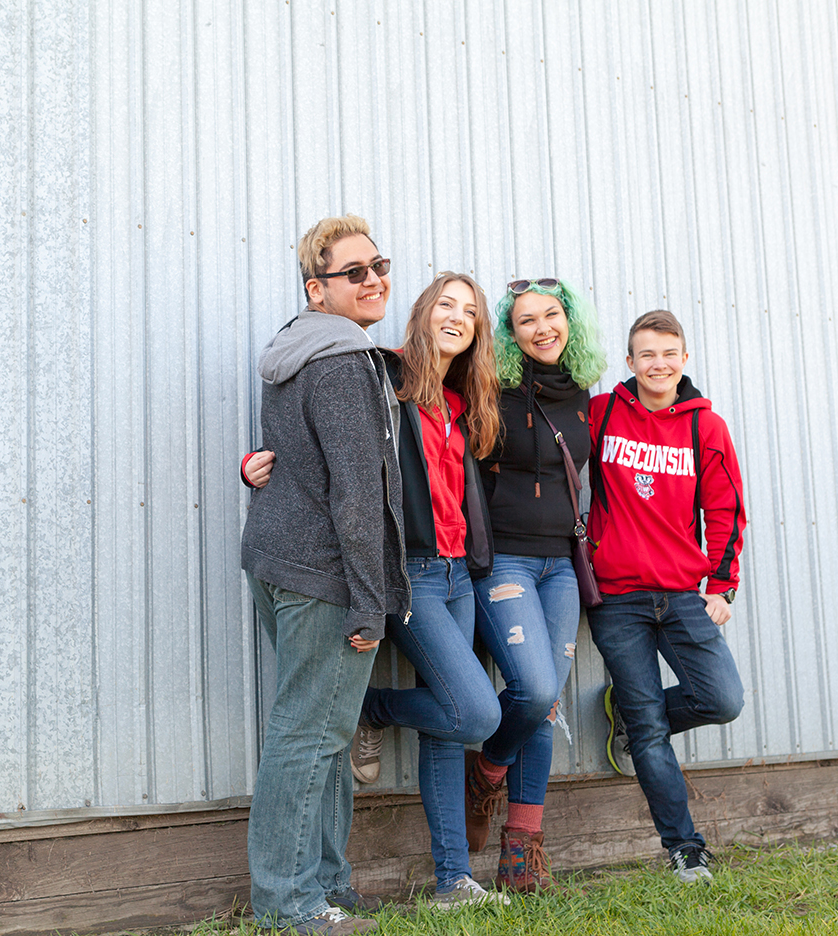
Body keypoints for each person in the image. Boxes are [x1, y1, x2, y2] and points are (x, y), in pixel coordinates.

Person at [246, 272, 510, 910]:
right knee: (476, 711)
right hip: (409, 572)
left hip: (457, 572)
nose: (458, 317)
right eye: (446, 304)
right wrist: (259, 469)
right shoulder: (381, 377)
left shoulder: (464, 401)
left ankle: (453, 880)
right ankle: (373, 710)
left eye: (469, 311)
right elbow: (324, 453)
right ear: (421, 314)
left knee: (451, 726)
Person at [240, 214, 405, 935]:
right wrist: (370, 600)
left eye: (379, 266)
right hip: (322, 576)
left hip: (279, 559)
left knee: (323, 732)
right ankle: (291, 904)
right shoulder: (340, 360)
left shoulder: (296, 350)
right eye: (354, 273)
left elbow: (291, 463)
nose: (374, 281)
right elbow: (355, 493)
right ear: (318, 289)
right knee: (308, 736)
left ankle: (328, 882)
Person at [585, 309, 747, 884]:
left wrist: (721, 586)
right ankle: (684, 848)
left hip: (681, 593)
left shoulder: (707, 427)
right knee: (650, 731)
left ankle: (626, 714)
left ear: (685, 359)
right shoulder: (601, 412)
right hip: (618, 598)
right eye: (646, 354)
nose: (658, 364)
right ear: (629, 362)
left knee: (723, 699)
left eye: (668, 353)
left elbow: (724, 509)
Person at [461, 278, 608, 894]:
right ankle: (488, 769)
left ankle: (521, 858)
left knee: (543, 707)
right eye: (527, 320)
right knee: (537, 686)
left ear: (570, 324)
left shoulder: (585, 398)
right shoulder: (490, 391)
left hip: (560, 567)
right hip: (507, 564)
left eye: (553, 315)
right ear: (510, 334)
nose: (542, 327)